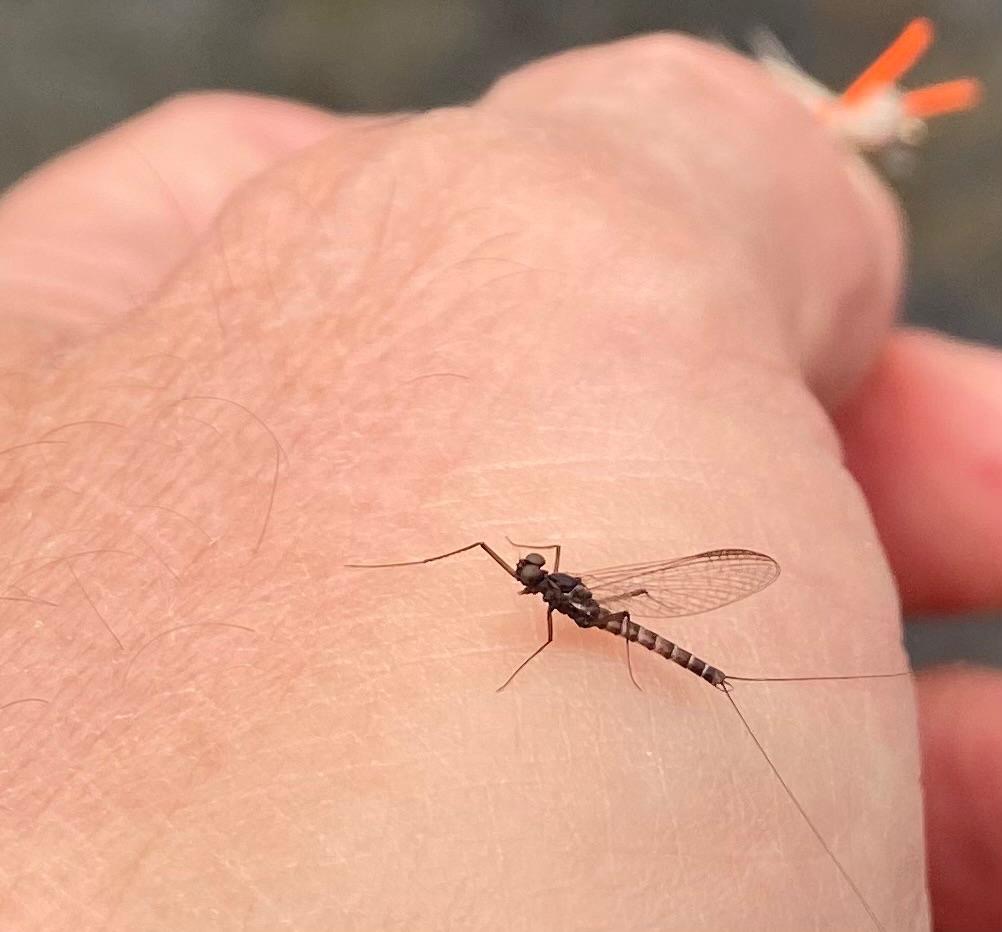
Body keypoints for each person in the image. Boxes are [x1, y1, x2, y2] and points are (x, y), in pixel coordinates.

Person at [0, 33, 998, 931]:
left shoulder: (562, 609)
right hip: (629, 616)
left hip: (637, 624)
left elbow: (564, 624)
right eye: (535, 577)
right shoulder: (564, 596)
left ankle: (722, 680)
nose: (532, 578)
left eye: (532, 577)